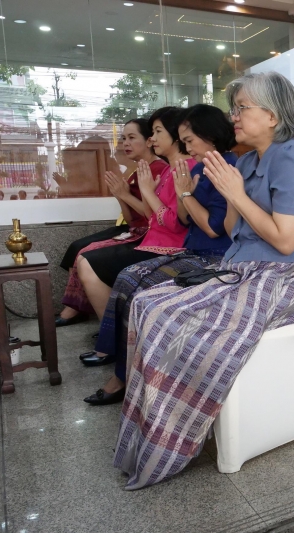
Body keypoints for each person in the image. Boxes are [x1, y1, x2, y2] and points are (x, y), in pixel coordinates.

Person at [114, 72, 294, 490]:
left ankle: (170, 441)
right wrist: (227, 192)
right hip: (242, 265)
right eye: (235, 108)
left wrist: (237, 195)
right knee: (146, 302)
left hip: (282, 277)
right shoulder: (248, 160)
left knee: (167, 317)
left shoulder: (291, 158)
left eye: (242, 107)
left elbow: (286, 242)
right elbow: (233, 230)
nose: (234, 115)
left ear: (271, 115)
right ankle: (150, 433)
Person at [81, 104, 238, 396]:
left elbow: (212, 227)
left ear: (210, 136)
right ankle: (123, 365)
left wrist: (184, 194)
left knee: (138, 288)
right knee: (127, 277)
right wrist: (182, 195)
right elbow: (184, 217)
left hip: (213, 256)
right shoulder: (201, 167)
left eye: (190, 140)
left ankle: (126, 377)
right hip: (191, 249)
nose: (186, 146)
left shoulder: (225, 167)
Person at [76, 107, 196, 322]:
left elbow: (174, 224)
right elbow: (152, 218)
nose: (153, 139)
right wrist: (131, 193)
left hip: (172, 246)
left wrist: (148, 192)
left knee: (88, 261)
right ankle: (110, 333)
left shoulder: (185, 168)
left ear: (175, 134)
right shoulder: (170, 168)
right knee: (85, 256)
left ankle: (109, 337)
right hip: (154, 239)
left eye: (158, 132)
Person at [55, 118, 168, 327]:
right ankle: (78, 306)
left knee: (86, 254)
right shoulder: (136, 170)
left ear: (149, 141)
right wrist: (119, 195)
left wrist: (125, 194)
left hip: (150, 232)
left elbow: (153, 214)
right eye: (124, 138)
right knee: (75, 247)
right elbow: (130, 217)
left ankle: (94, 317)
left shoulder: (159, 168)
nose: (125, 143)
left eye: (132, 138)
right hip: (134, 227)